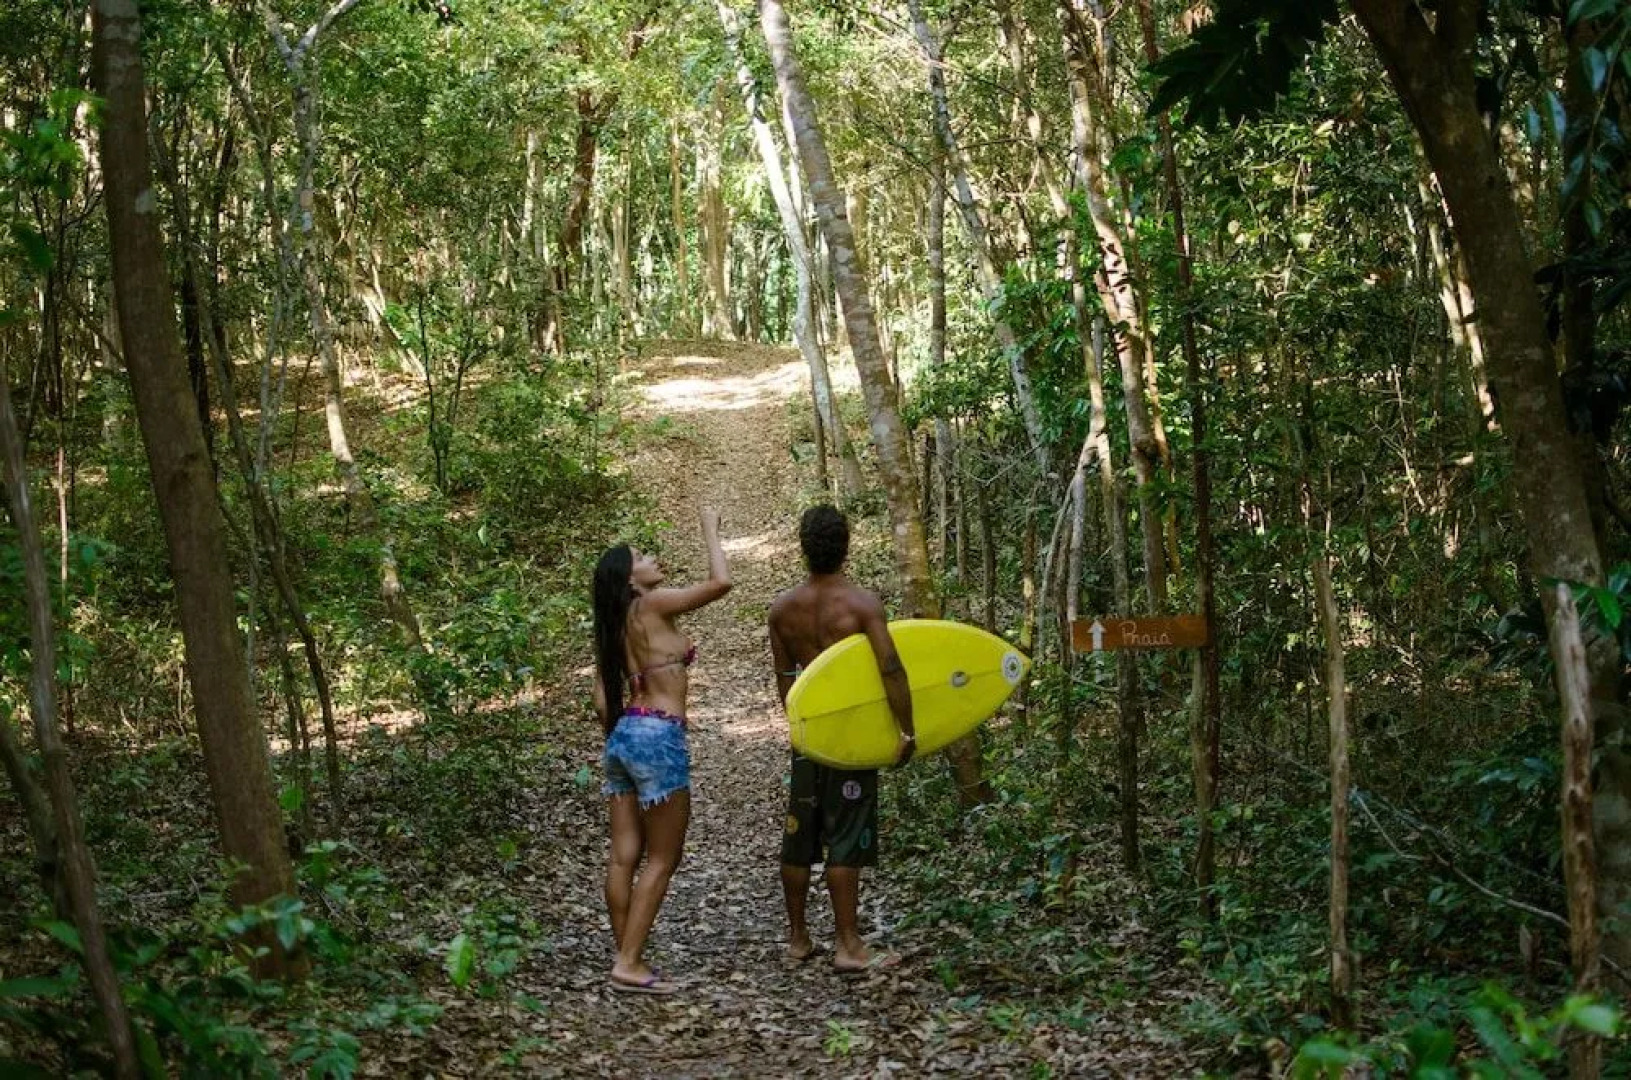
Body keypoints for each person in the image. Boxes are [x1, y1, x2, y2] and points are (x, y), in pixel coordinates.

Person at [767, 504, 914, 973]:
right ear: (845, 546)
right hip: (851, 735)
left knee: (800, 832)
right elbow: (890, 667)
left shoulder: (782, 609)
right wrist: (905, 728)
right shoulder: (862, 605)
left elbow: (785, 678)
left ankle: (797, 938)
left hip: (808, 734)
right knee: (845, 834)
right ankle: (848, 945)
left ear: (804, 549)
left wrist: (800, 727)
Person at [591, 509, 730, 994]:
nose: (653, 558)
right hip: (658, 736)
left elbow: (601, 701)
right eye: (642, 556)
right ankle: (629, 962)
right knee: (663, 857)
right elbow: (719, 584)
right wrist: (709, 526)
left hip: (625, 734)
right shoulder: (650, 605)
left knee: (624, 855)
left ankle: (626, 951)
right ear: (630, 579)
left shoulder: (615, 625)